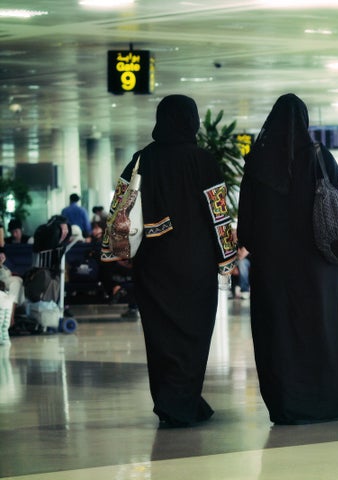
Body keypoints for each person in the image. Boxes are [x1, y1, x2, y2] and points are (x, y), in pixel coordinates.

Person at [236, 93, 338, 425]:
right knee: (325, 328)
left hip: (274, 269)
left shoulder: (257, 162)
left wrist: (252, 246)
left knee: (280, 332)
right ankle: (333, 397)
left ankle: (288, 402)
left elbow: (247, 223)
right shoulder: (319, 156)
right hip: (320, 265)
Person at [102, 94, 237, 427]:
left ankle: (170, 401)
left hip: (153, 265)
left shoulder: (141, 159)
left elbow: (119, 206)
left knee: (160, 336)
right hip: (196, 264)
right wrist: (227, 258)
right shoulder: (204, 161)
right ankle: (184, 399)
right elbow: (218, 215)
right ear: (192, 121)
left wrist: (117, 252)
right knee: (194, 333)